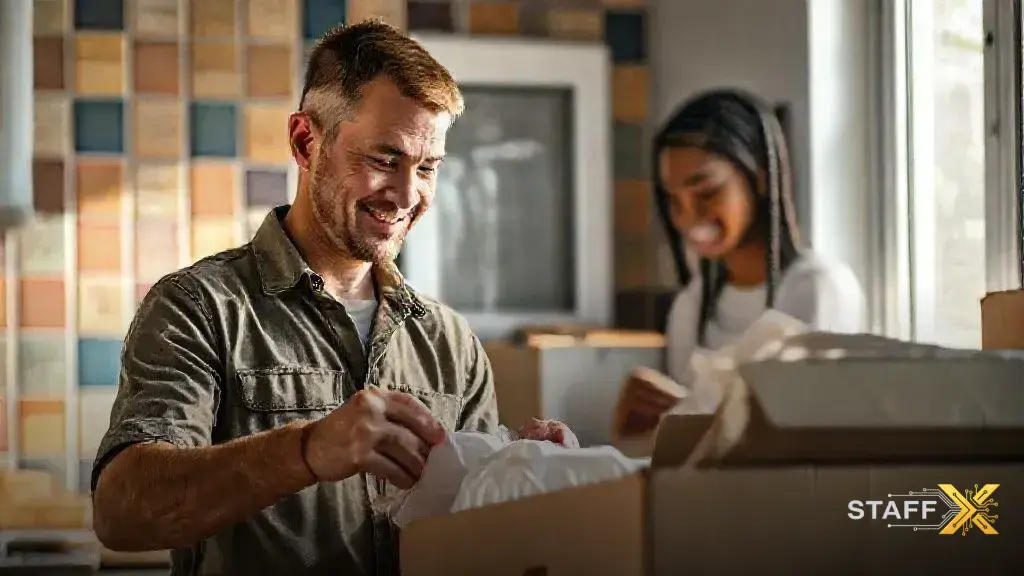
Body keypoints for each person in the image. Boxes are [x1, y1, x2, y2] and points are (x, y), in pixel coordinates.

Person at [90, 21, 576, 576]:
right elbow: (121, 513)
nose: (407, 193)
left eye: (427, 167)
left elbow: (477, 540)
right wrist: (307, 452)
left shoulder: (449, 342)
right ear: (305, 141)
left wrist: (535, 480)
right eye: (383, 158)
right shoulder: (199, 308)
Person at [613, 89, 865, 436]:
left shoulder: (817, 287)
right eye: (674, 200)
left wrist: (689, 418)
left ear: (760, 177)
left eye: (706, 193)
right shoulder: (691, 306)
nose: (689, 218)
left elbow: (808, 433)